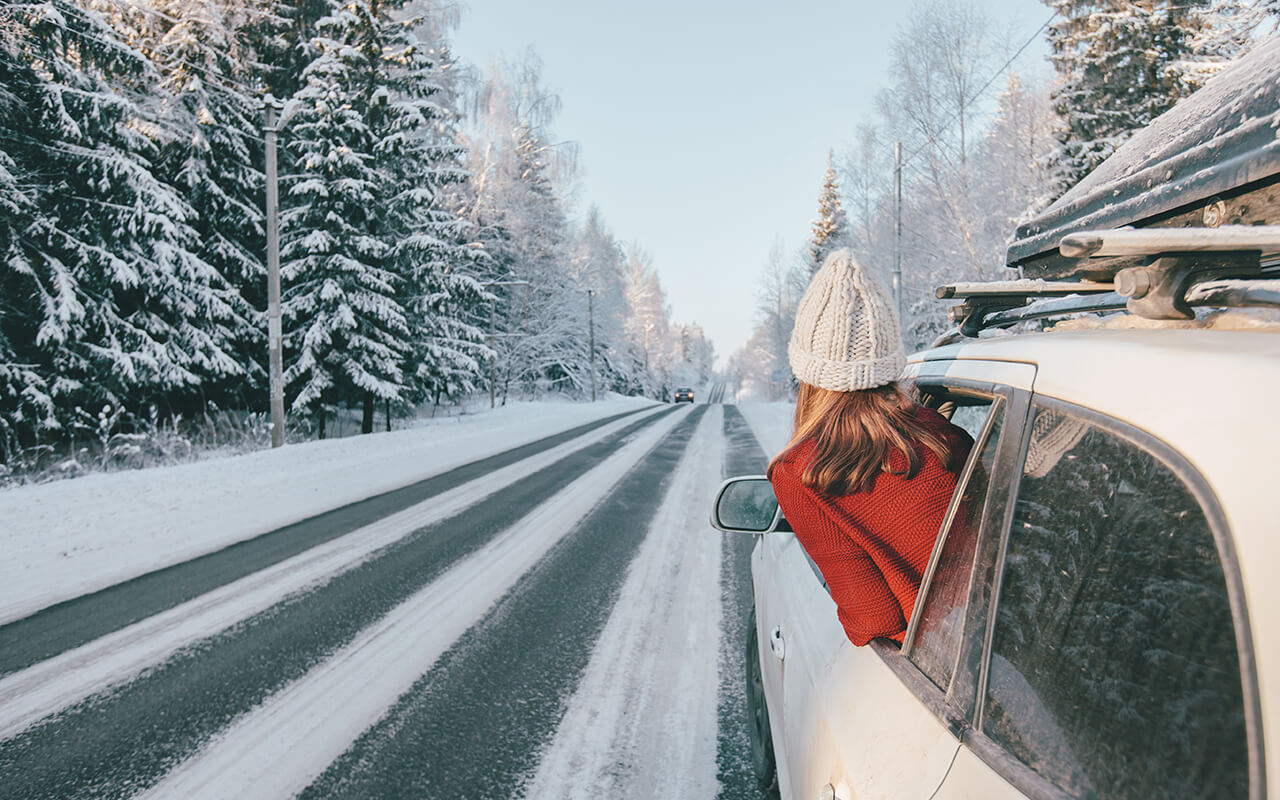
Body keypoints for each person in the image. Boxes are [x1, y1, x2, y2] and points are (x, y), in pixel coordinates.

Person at [768, 249, 972, 647]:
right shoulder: (945, 438)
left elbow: (875, 619)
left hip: (934, 660)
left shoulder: (800, 474)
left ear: (808, 373)